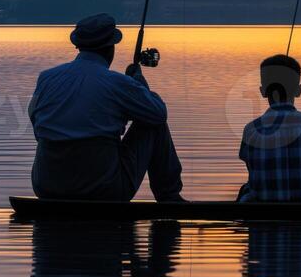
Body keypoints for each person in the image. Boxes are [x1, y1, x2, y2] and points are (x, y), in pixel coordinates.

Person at [28, 14, 185, 202]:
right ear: (111, 47)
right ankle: (170, 196)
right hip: (104, 189)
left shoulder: (46, 78)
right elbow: (158, 113)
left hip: (46, 186)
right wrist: (140, 83)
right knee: (153, 122)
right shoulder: (117, 83)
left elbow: (36, 121)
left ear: (78, 46)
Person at [238, 54, 301, 203]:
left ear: (263, 91)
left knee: (246, 190)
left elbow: (250, 165)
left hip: (263, 209)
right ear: (299, 90)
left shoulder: (250, 130)